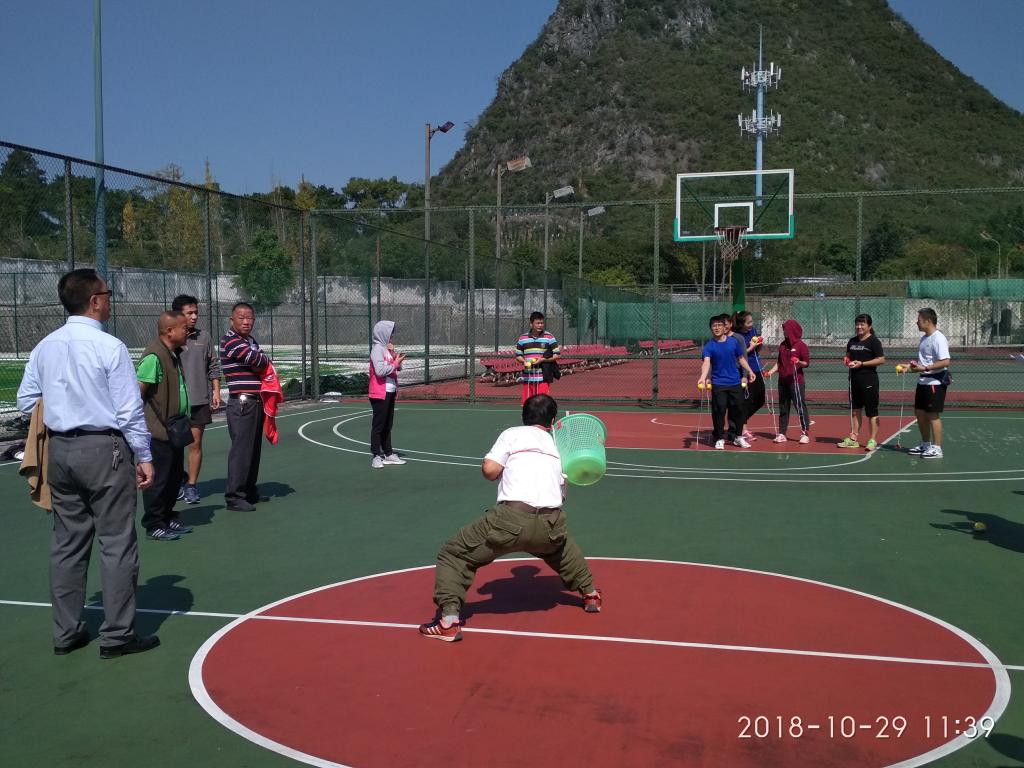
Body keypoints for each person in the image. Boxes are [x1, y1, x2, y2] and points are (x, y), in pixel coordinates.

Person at [16, 268, 160, 658]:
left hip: (60, 452)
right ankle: (118, 635)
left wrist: (62, 406)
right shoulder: (109, 347)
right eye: (108, 294)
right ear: (95, 301)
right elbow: (129, 410)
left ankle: (66, 632)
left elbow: (26, 401)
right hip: (103, 449)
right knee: (117, 542)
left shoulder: (45, 346)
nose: (110, 300)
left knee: (67, 543)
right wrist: (144, 455)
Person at [419, 394, 601, 642]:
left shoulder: (512, 434)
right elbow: (563, 490)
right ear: (552, 421)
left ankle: (448, 622)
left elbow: (489, 470)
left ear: (524, 417)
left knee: (453, 554)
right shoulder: (559, 446)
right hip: (551, 521)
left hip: (510, 519)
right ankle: (590, 594)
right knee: (562, 549)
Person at [137, 311, 192, 541]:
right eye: (184, 328)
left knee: (173, 477)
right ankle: (154, 524)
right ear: (170, 331)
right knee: (158, 481)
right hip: (158, 432)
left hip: (174, 429)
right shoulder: (154, 356)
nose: (188, 330)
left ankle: (167, 517)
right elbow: (137, 394)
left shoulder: (173, 354)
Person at [171, 294, 223, 504]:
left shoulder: (205, 337)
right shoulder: (170, 338)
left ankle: (191, 486)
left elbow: (213, 366)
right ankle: (178, 479)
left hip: (199, 401)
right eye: (189, 313)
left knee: (195, 444)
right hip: (175, 403)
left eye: (196, 312)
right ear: (178, 315)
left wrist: (216, 391)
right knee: (173, 448)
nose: (194, 316)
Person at [220, 302, 270, 511]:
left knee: (253, 449)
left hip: (255, 401)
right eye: (241, 318)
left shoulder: (249, 341)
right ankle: (235, 496)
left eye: (250, 318)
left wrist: (261, 361)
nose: (246, 322)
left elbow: (262, 361)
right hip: (242, 403)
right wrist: (260, 361)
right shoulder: (230, 340)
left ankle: (249, 490)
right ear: (232, 320)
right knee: (242, 450)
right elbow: (258, 360)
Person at [697, 314, 757, 450]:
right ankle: (719, 438)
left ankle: (738, 437)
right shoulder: (709, 346)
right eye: (714, 326)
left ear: (725, 328)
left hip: (735, 383)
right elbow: (706, 363)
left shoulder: (733, 342)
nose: (717, 328)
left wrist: (749, 371)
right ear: (711, 328)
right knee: (719, 411)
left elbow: (741, 358)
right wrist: (702, 377)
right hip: (719, 384)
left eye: (719, 325)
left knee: (739, 410)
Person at [837, 313, 885, 451]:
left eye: (862, 324)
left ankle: (872, 440)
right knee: (855, 411)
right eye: (857, 324)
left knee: (871, 413)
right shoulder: (852, 341)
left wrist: (862, 364)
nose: (859, 327)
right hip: (854, 381)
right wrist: (846, 359)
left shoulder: (874, 341)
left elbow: (881, 360)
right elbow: (847, 355)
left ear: (869, 326)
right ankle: (853, 439)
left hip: (869, 381)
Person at [908, 307, 951, 459]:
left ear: (928, 321)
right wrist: (909, 367)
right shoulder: (924, 338)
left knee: (932, 415)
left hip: (935, 382)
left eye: (919, 320)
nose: (917, 323)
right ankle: (926, 445)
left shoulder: (938, 338)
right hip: (923, 381)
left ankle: (937, 448)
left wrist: (925, 368)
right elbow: (923, 363)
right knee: (919, 413)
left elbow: (945, 361)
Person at [764, 319, 811, 444]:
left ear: (792, 330)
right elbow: (779, 363)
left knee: (800, 406)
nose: (784, 331)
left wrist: (798, 362)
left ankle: (804, 433)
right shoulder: (782, 345)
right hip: (783, 381)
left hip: (796, 382)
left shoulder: (801, 345)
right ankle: (782, 434)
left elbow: (806, 363)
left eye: (786, 329)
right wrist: (770, 372)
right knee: (783, 407)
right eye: (783, 329)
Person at [369, 320, 407, 469]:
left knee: (387, 425)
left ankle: (388, 453)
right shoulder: (377, 350)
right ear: (383, 333)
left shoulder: (387, 349)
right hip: (379, 393)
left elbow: (398, 368)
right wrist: (395, 364)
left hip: (390, 391)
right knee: (379, 425)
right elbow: (379, 371)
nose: (392, 336)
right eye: (390, 333)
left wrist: (395, 357)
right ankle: (376, 455)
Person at [733, 310, 765, 441]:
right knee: (747, 399)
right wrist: (750, 347)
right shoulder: (737, 336)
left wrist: (759, 344)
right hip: (746, 370)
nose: (751, 324)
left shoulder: (753, 331)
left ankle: (740, 422)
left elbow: (758, 349)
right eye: (749, 322)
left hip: (757, 368)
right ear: (742, 324)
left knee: (760, 399)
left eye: (752, 321)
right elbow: (738, 355)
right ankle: (742, 428)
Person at [515, 311, 560, 405]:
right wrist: (524, 362)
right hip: (528, 378)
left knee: (542, 404)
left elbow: (557, 355)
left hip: (543, 377)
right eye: (538, 323)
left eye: (542, 323)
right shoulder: (523, 338)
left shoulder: (549, 337)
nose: (540, 325)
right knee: (527, 405)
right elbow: (518, 355)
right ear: (531, 324)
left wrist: (543, 360)